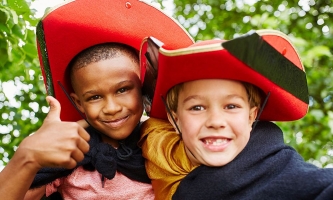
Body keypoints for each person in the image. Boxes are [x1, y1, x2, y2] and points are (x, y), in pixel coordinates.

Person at [0, 0, 193, 199]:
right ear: (78, 103)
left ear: (142, 87)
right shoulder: (69, 151)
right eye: (95, 97)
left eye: (123, 90)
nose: (111, 108)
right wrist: (27, 155)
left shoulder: (169, 141)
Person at [139, 30, 333, 199]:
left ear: (251, 116)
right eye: (197, 107)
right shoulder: (156, 146)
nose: (216, 121)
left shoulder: (279, 170)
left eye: (231, 106)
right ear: (175, 119)